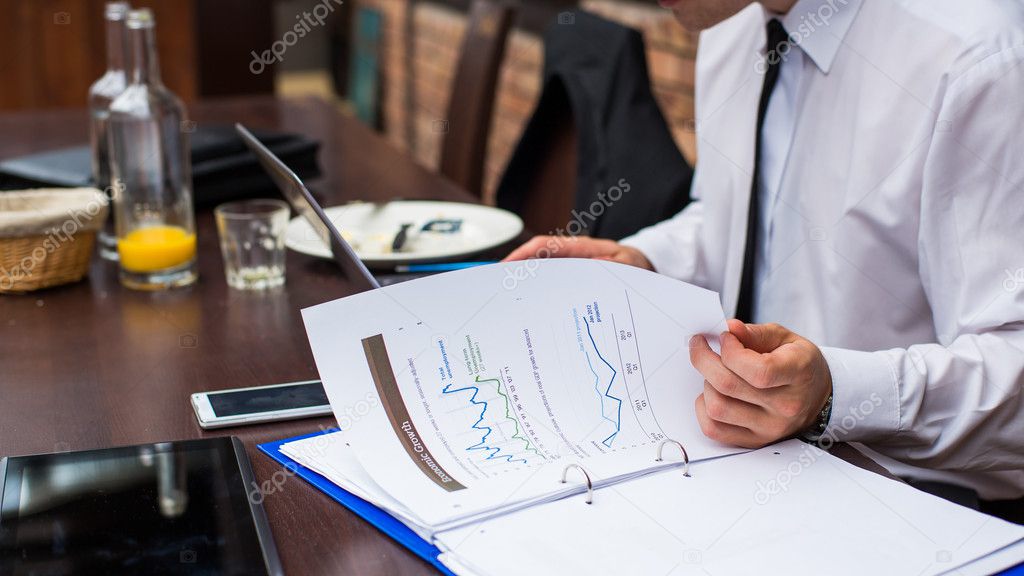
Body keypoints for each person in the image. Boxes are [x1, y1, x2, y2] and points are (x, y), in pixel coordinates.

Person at [505, 0, 1024, 512]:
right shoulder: (730, 25)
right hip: (737, 465)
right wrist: (645, 261)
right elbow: (732, 219)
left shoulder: (979, 57)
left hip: (926, 503)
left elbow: (1014, 361)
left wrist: (833, 398)